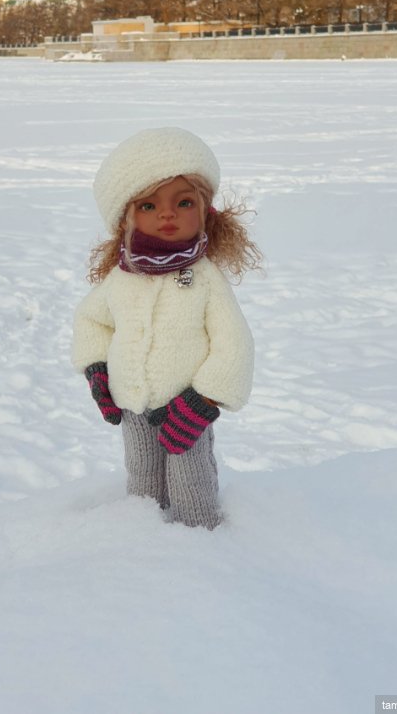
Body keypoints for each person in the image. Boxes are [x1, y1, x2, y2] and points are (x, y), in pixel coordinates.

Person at [72, 127, 261, 530]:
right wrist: (97, 371)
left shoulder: (206, 280)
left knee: (190, 483)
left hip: (186, 408)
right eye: (148, 206)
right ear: (126, 215)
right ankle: (145, 543)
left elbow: (234, 345)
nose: (168, 214)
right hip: (133, 405)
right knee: (142, 482)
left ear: (206, 210)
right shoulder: (122, 278)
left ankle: (201, 544)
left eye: (184, 201)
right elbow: (92, 320)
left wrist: (204, 399)